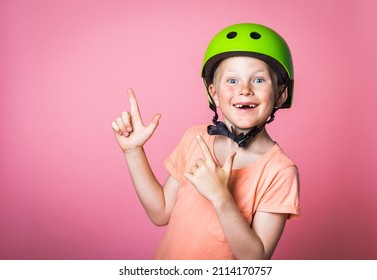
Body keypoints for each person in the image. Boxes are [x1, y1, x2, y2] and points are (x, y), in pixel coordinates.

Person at [111, 23, 300, 260]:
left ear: (281, 94)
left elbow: (255, 260)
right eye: (232, 81)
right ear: (213, 93)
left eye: (259, 80)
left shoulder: (280, 171)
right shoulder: (195, 138)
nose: (245, 90)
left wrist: (221, 197)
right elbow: (160, 213)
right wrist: (133, 151)